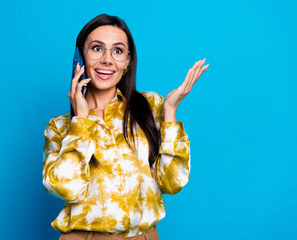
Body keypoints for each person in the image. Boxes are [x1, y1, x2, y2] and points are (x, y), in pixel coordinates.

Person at [42, 14, 209, 240]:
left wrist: (170, 110)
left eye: (118, 51)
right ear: (80, 57)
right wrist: (80, 123)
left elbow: (172, 182)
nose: (108, 60)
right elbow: (65, 188)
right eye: (97, 48)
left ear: (128, 62)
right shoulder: (60, 127)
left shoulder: (151, 107)